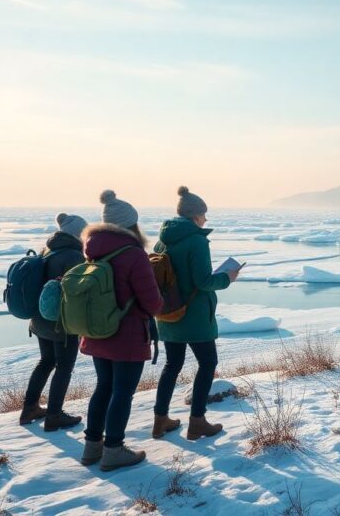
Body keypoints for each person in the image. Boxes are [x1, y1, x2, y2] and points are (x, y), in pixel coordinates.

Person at [79, 190, 164, 471]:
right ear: (131, 224)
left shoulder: (92, 250)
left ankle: (92, 447)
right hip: (126, 336)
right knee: (122, 392)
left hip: (97, 332)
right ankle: (113, 449)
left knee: (103, 387)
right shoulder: (134, 254)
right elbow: (152, 303)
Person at [152, 186, 239, 441]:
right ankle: (197, 422)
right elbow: (202, 281)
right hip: (194, 315)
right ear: (196, 216)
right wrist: (227, 277)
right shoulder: (197, 241)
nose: (206, 220)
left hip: (168, 313)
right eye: (204, 214)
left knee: (172, 365)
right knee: (208, 363)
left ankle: (160, 421)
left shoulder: (162, 240)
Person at [19, 213, 87, 431]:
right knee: (64, 366)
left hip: (39, 320)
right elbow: (78, 292)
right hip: (61, 323)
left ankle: (30, 408)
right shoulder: (74, 256)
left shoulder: (48, 249)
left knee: (46, 361)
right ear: (78, 233)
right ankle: (55, 415)